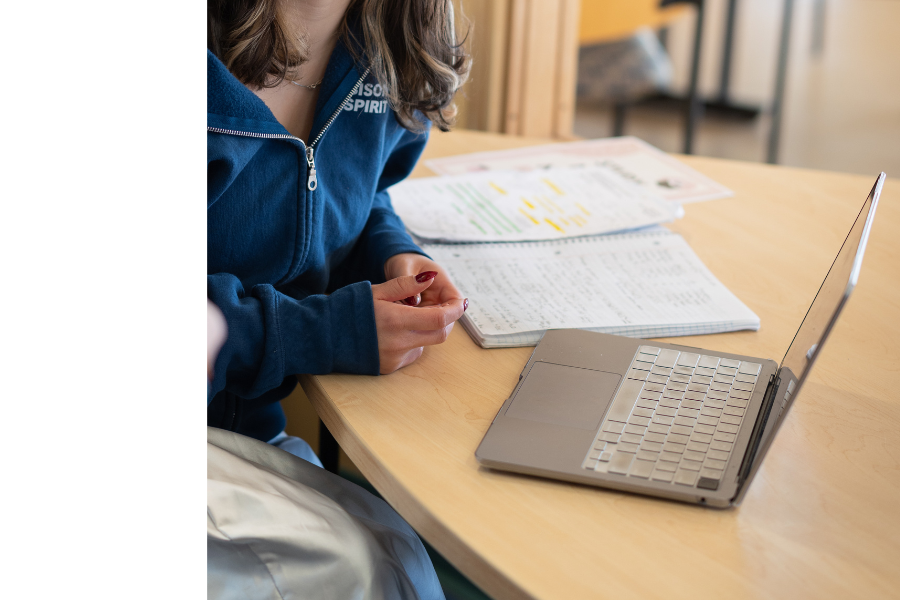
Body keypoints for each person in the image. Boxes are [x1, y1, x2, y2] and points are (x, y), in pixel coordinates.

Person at [207, 0, 471, 445]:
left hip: (254, 442)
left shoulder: (393, 49)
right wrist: (326, 331)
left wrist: (390, 249)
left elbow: (349, 194)